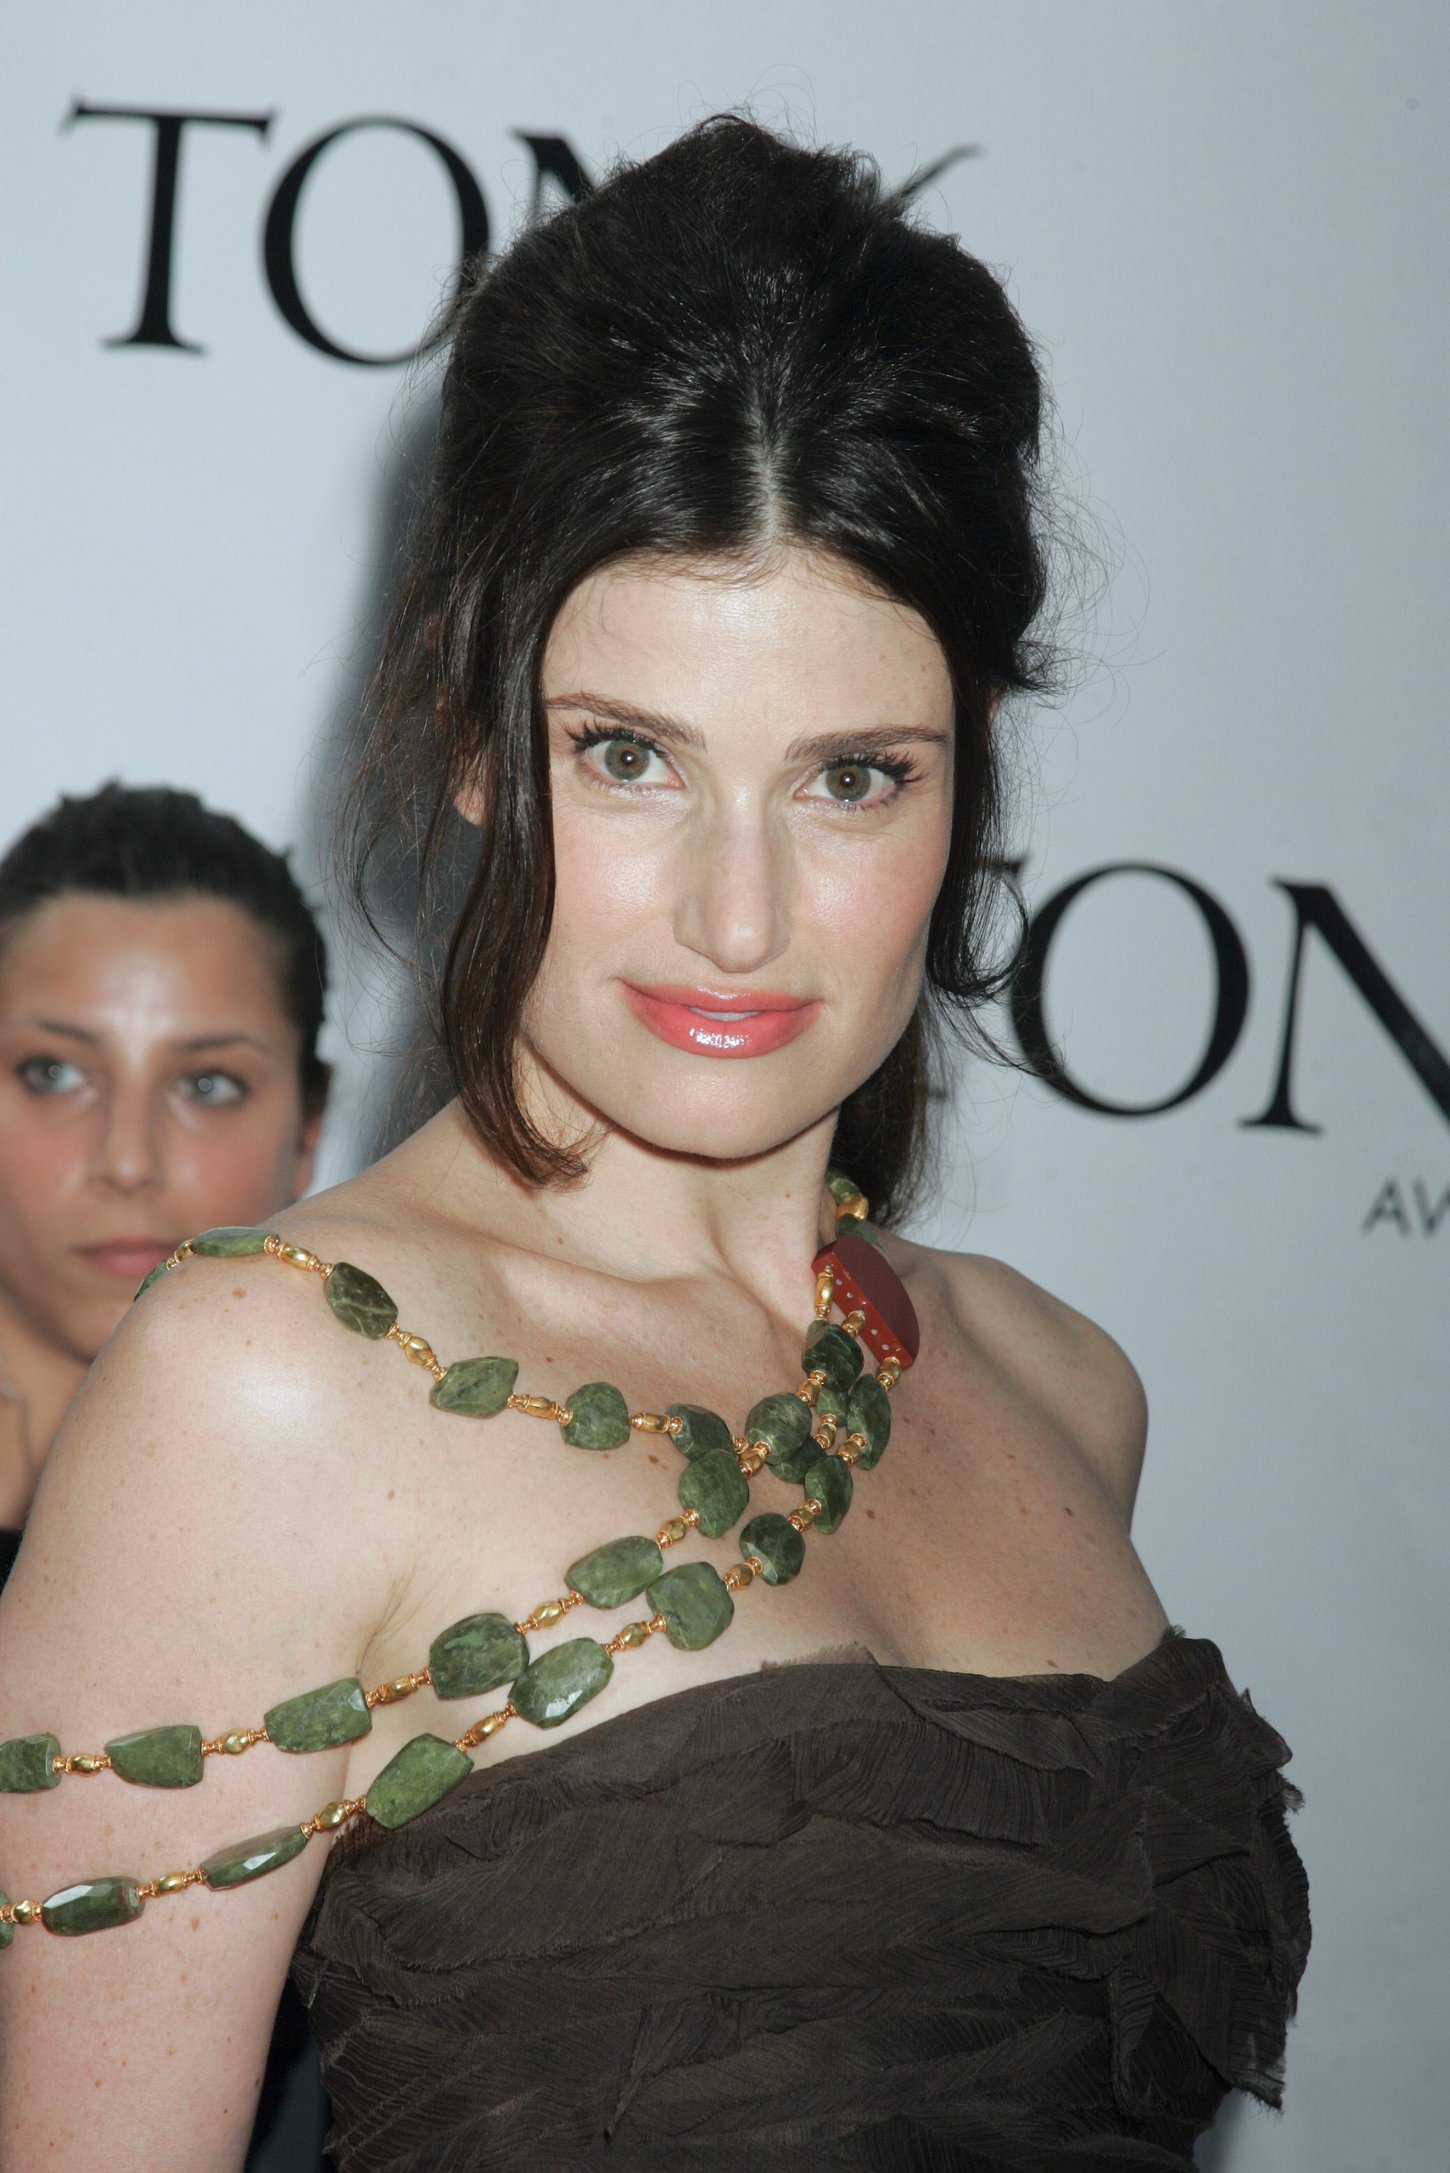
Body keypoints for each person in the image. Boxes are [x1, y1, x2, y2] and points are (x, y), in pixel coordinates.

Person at [0, 121, 1308, 2171]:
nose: (736, 916)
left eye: (851, 778)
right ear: (467, 729)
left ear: (967, 773)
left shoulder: (1058, 1388)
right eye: (627, 756)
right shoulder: (272, 1389)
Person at [0, 783, 330, 1591]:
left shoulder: (379, 1541)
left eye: (207, 1085)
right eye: (54, 1073)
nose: (127, 1161)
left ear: (309, 1130)